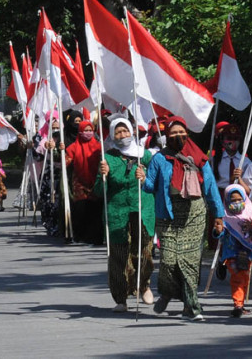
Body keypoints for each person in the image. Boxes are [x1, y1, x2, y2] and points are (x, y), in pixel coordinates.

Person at [139, 116, 225, 321]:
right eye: (173, 133)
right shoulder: (160, 158)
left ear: (187, 133)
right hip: (167, 215)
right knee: (169, 261)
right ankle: (169, 292)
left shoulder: (198, 158)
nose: (178, 136)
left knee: (189, 262)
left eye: (181, 132)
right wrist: (142, 178)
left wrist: (218, 215)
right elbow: (150, 186)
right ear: (167, 136)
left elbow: (211, 187)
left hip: (194, 214)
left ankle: (192, 306)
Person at [97, 117, 156, 312]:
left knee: (145, 252)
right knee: (119, 256)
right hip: (117, 212)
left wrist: (145, 177)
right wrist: (103, 175)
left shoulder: (144, 155)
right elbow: (98, 191)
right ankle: (121, 298)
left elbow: (156, 181)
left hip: (143, 209)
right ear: (113, 136)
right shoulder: (108, 158)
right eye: (118, 132)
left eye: (125, 131)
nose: (123, 135)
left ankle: (143, 284)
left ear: (132, 132)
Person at [215, 183, 252, 318]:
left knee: (245, 277)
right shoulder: (224, 217)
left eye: (239, 200)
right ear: (227, 201)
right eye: (233, 200)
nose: (236, 203)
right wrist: (218, 230)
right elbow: (219, 234)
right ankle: (238, 304)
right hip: (232, 253)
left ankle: (241, 303)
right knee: (237, 277)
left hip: (248, 253)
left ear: (245, 199)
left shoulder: (251, 214)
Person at [65, 118, 104, 245]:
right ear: (80, 131)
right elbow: (64, 163)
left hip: (95, 182)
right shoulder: (72, 148)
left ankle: (95, 236)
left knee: (95, 210)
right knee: (81, 209)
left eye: (90, 130)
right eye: (85, 130)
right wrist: (58, 151)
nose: (88, 133)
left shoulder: (99, 147)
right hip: (79, 183)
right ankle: (80, 235)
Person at [212, 122, 250, 194]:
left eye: (235, 139)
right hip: (219, 194)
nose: (232, 142)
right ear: (222, 141)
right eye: (229, 138)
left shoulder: (246, 162)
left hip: (238, 195)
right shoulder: (214, 160)